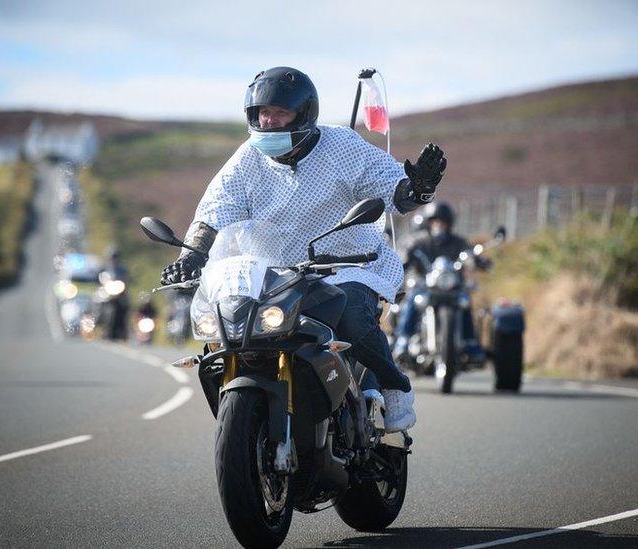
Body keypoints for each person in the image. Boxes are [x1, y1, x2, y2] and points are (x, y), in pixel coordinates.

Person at [159, 67, 447, 432]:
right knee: (234, 327)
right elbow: (216, 210)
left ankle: (393, 384)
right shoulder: (248, 158)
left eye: (279, 113)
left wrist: (416, 189)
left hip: (346, 265)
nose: (269, 120)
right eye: (262, 113)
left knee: (353, 315)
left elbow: (391, 188)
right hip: (271, 275)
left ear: (304, 114)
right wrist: (192, 255)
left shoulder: (342, 146)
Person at [393, 202, 486, 362]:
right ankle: (404, 339)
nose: (439, 225)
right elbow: (406, 254)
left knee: (465, 303)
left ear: (449, 224)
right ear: (429, 223)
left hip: (452, 287)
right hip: (425, 286)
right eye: (435, 221)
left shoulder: (458, 242)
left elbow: (470, 255)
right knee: (414, 301)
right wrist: (404, 260)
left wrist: (479, 261)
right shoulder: (419, 242)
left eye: (443, 222)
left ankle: (471, 342)